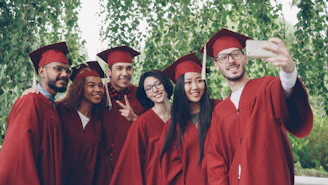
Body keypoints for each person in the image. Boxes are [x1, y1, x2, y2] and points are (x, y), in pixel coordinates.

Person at [200, 28, 313, 185]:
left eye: (236, 54)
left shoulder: (265, 88)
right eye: (223, 57)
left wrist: (288, 70)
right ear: (217, 65)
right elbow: (216, 161)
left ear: (245, 58)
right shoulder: (220, 112)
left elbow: (285, 88)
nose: (230, 60)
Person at [0, 42, 71, 185]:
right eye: (58, 69)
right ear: (42, 72)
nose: (64, 74)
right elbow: (18, 157)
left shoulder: (52, 106)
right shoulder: (31, 101)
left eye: (67, 70)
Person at [159, 53, 222, 185]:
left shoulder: (219, 109)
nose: (195, 87)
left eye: (199, 80)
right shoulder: (173, 126)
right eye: (188, 82)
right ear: (181, 86)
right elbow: (170, 169)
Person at [109, 69, 173, 185]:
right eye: (149, 88)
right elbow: (133, 165)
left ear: (165, 84)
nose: (155, 90)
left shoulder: (181, 115)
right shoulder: (141, 124)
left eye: (158, 84)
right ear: (146, 94)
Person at [96, 46, 146, 182]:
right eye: (119, 68)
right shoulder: (97, 94)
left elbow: (154, 130)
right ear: (108, 72)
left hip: (130, 170)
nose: (125, 73)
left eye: (129, 68)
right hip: (100, 171)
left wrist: (135, 119)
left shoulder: (142, 96)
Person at [56, 61, 107, 185]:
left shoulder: (98, 121)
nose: (98, 90)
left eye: (100, 86)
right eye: (91, 85)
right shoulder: (60, 110)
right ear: (79, 88)